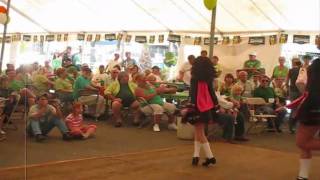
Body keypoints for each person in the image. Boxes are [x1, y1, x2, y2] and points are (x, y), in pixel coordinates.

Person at [278, 58, 320, 180]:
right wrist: (287, 106)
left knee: (302, 142)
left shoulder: (316, 65)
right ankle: (303, 175)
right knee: (304, 145)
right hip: (312, 108)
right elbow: (306, 94)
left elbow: (307, 94)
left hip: (312, 111)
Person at [189, 56, 217, 166]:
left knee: (200, 132)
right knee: (198, 130)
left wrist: (191, 106)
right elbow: (212, 93)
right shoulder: (209, 78)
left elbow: (193, 93)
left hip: (197, 106)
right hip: (207, 106)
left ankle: (210, 156)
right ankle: (195, 156)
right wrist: (215, 104)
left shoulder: (194, 78)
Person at [286, 58, 302, 133]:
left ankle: (291, 127)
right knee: (299, 108)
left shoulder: (290, 70)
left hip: (293, 91)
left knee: (293, 108)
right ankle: (296, 126)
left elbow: (286, 82)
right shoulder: (302, 70)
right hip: (300, 91)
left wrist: (288, 90)